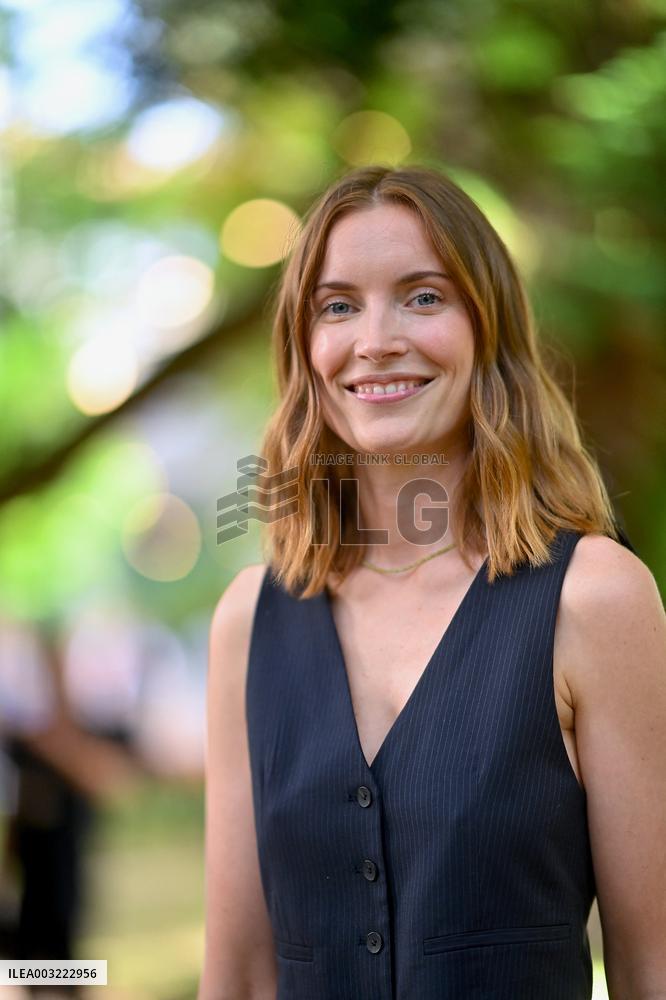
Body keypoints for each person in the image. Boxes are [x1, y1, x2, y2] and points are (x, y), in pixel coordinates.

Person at [198, 165, 666, 999]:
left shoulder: (595, 599)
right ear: (305, 348)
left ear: (489, 330)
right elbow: (236, 971)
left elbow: (651, 965)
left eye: (423, 296)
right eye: (337, 306)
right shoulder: (250, 620)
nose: (375, 338)